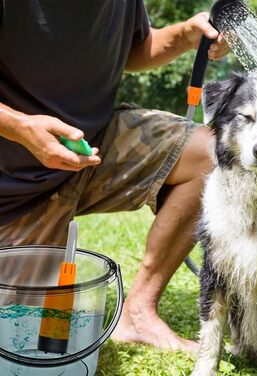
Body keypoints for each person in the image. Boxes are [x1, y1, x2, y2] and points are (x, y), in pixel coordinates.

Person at [0, 0, 229, 351]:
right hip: (14, 182)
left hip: (94, 145)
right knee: (18, 335)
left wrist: (185, 35)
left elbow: (135, 50)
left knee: (212, 153)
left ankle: (138, 313)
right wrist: (20, 127)